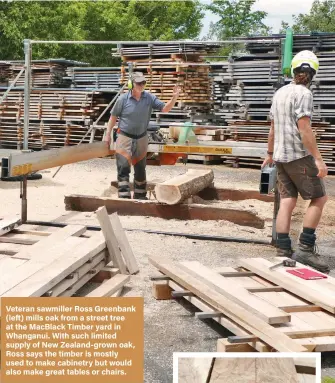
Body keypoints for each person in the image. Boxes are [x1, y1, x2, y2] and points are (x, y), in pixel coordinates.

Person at [262, 50, 329, 273]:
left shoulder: (280, 92)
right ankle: (305, 249)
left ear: (294, 70)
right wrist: (318, 159)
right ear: (313, 73)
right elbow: (304, 129)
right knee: (319, 198)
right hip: (298, 157)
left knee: (288, 200)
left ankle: (283, 248)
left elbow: (272, 128)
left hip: (280, 157)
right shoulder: (304, 94)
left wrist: (270, 153)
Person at [105, 72, 181, 200]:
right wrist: (108, 134)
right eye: (138, 83)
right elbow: (113, 117)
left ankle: (140, 195)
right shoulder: (123, 99)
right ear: (131, 84)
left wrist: (174, 98)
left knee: (140, 168)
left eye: (143, 83)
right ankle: (124, 196)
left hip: (141, 138)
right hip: (124, 136)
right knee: (123, 166)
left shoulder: (149, 98)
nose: (141, 85)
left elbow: (165, 109)